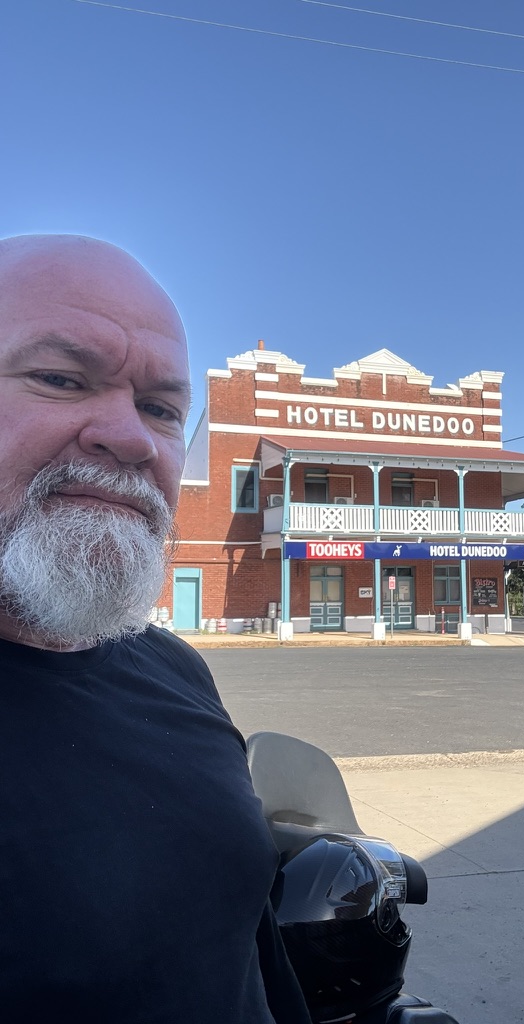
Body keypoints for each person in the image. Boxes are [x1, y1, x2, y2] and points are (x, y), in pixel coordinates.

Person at [0, 235, 312, 1023]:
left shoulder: (172, 668)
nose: (133, 438)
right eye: (60, 378)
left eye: (161, 409)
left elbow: (248, 952)